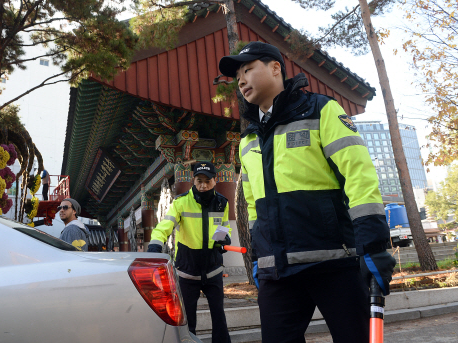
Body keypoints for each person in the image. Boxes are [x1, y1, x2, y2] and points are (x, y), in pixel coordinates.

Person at [218, 41, 396, 343]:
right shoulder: (248, 140)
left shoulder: (322, 110)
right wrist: (260, 260)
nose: (242, 81)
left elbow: (359, 175)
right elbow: (253, 207)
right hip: (277, 274)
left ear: (276, 68)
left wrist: (374, 245)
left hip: (334, 262)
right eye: (238, 78)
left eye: (248, 69)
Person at [147, 161, 232, 343]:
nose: (202, 185)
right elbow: (165, 225)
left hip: (213, 269)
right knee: (187, 322)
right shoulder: (181, 202)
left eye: (207, 181)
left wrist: (225, 239)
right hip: (187, 272)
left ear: (215, 181)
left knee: (219, 317)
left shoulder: (222, 203)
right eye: (199, 180)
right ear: (193, 181)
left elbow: (224, 227)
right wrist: (155, 244)